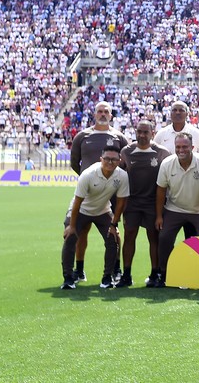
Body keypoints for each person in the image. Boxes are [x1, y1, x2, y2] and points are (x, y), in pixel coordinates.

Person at [67, 101, 129, 282]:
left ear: (111, 115)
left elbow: (124, 162)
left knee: (114, 231)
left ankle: (115, 268)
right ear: (94, 114)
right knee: (82, 231)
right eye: (100, 111)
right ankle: (79, 269)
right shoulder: (82, 136)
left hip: (112, 193)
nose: (103, 114)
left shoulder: (119, 137)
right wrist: (90, 181)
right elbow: (74, 162)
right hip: (89, 192)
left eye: (106, 112)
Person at [60, 145, 129, 290]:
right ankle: (68, 278)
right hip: (80, 210)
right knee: (71, 237)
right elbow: (77, 202)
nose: (110, 162)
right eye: (107, 159)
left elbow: (121, 203)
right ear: (101, 159)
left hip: (103, 210)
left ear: (119, 160)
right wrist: (71, 226)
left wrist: (114, 225)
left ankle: (107, 278)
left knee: (112, 239)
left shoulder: (122, 176)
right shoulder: (88, 174)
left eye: (114, 159)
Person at [154, 132, 199, 287]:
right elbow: (161, 191)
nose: (181, 150)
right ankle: (165, 273)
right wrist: (159, 216)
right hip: (175, 208)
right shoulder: (167, 164)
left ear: (192, 147)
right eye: (178, 147)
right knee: (164, 238)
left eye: (185, 147)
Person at [118, 119, 170, 288]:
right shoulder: (126, 151)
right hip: (132, 202)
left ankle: (155, 273)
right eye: (139, 131)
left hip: (153, 203)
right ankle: (126, 274)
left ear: (152, 133)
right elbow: (120, 174)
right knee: (129, 236)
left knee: (153, 238)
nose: (141, 135)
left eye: (145, 132)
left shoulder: (162, 152)